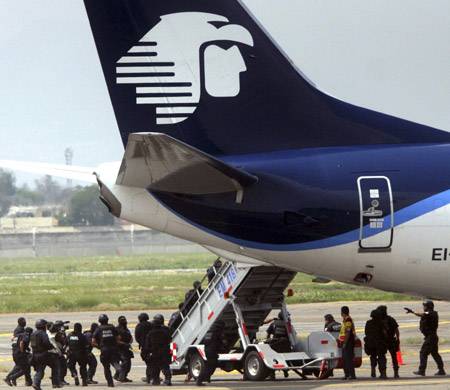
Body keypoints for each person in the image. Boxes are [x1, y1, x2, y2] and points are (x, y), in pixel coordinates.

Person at [406, 301, 446, 376]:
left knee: (423, 353)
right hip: (431, 337)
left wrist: (412, 311)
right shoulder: (430, 314)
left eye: (424, 306)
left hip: (430, 337)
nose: (423, 307)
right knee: (435, 354)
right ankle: (441, 370)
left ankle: (422, 370)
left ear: (428, 306)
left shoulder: (431, 313)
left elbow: (421, 314)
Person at [92, 314, 123, 387]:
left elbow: (93, 341)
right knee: (115, 361)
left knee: (106, 367)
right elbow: (119, 337)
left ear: (99, 321)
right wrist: (114, 343)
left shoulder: (98, 329)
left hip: (104, 349)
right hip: (114, 348)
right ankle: (118, 368)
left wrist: (100, 347)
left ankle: (110, 383)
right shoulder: (112, 327)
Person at [196, 319, 227, 386]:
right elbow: (224, 341)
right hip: (212, 350)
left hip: (207, 350)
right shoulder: (218, 331)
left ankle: (206, 377)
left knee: (212, 364)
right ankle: (200, 379)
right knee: (210, 365)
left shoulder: (209, 332)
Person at [30, 319, 59, 390]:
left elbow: (32, 345)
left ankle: (36, 383)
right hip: (43, 354)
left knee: (39, 370)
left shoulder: (33, 334)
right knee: (54, 366)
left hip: (35, 354)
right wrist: (51, 347)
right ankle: (55, 383)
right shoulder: (43, 333)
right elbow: (46, 343)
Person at [144, 316, 172, 386]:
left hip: (155, 352)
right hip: (164, 352)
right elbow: (169, 339)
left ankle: (156, 380)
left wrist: (145, 352)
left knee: (155, 367)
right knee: (165, 367)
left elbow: (147, 345)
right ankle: (168, 379)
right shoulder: (165, 332)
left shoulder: (150, 333)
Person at [377, 305, 400, 378]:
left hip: (383, 341)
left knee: (382, 357)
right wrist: (397, 338)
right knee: (394, 357)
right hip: (391, 340)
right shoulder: (391, 319)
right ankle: (396, 373)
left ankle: (383, 373)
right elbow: (396, 330)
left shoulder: (378, 321)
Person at [364, 309, 387, 379]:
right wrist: (386, 339)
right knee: (381, 357)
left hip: (371, 343)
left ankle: (373, 369)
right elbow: (385, 332)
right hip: (379, 342)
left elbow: (366, 333)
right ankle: (383, 373)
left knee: (373, 356)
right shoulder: (381, 323)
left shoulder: (368, 323)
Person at [135, 312, 153, 383]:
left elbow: (137, 337)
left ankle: (149, 376)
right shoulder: (151, 325)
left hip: (144, 347)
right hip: (152, 346)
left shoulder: (139, 326)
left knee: (148, 362)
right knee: (152, 362)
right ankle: (152, 375)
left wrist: (141, 343)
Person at [340, 306, 356, 380]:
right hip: (345, 341)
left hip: (348, 342)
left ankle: (351, 374)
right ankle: (347, 374)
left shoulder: (348, 320)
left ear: (342, 312)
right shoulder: (345, 320)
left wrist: (345, 342)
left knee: (349, 359)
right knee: (344, 359)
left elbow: (348, 332)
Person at [115, 316, 133, 383]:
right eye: (122, 320)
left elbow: (130, 337)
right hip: (119, 349)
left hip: (126, 348)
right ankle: (117, 374)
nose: (124, 321)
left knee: (128, 364)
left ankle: (123, 377)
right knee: (125, 362)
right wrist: (124, 343)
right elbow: (116, 340)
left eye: (125, 319)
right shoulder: (117, 329)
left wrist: (129, 342)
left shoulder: (126, 329)